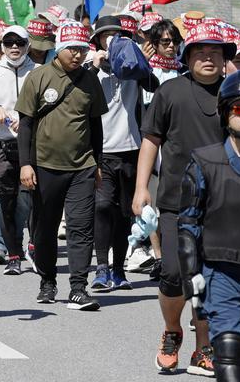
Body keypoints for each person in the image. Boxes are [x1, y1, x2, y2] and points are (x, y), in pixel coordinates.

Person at [133, 18, 237, 375]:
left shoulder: (234, 94)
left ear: (224, 58)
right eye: (200, 52)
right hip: (176, 202)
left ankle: (203, 347)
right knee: (174, 274)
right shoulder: (170, 92)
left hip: (223, 204)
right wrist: (141, 188)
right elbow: (151, 140)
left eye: (215, 52)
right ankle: (172, 330)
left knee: (209, 278)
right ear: (187, 56)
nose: (208, 58)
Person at [17, 19, 109, 310]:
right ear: (59, 48)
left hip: (82, 167)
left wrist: (97, 162)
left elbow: (95, 126)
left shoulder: (90, 80)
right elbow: (25, 124)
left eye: (82, 49)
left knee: (81, 228)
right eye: (72, 49)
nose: (77, 55)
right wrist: (25, 164)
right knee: (44, 228)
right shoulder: (38, 77)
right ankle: (47, 280)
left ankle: (79, 288)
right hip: (44, 167)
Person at [178, 70, 240, 382]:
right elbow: (188, 224)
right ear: (225, 113)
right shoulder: (205, 162)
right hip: (222, 274)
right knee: (231, 350)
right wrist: (191, 275)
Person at [87, 15, 160, 292]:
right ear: (97, 41)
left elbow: (154, 85)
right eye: (105, 36)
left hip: (131, 149)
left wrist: (139, 61)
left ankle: (118, 269)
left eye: (117, 35)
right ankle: (101, 268)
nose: (111, 40)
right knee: (102, 206)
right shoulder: (90, 69)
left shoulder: (132, 66)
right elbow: (79, 94)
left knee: (123, 212)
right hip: (102, 151)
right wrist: (95, 66)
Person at [0, 24, 35, 275]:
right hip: (2, 144)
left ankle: (29, 246)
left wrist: (28, 119)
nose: (14, 47)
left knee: (30, 199)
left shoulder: (38, 71)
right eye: (9, 42)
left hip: (32, 146)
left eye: (19, 43)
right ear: (1, 46)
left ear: (27, 46)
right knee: (5, 200)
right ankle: (10, 253)